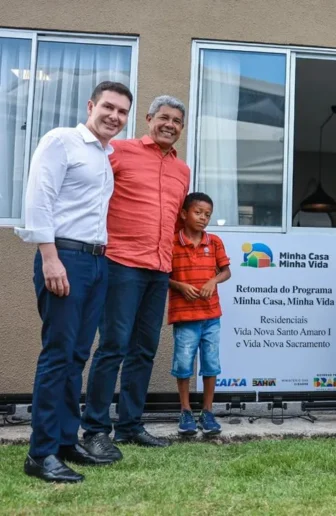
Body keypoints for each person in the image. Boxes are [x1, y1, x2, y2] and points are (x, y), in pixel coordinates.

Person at [14, 82, 133, 483]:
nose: (114, 117)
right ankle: (41, 453)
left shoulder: (105, 155)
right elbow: (38, 199)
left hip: (98, 262)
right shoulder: (62, 141)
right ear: (91, 105)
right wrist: (50, 257)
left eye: (122, 112)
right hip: (65, 257)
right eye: (108, 107)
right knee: (58, 354)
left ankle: (66, 441)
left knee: (78, 355)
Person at [81, 96, 191, 458]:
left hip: (159, 269)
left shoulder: (182, 170)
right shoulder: (119, 152)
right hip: (121, 264)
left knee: (144, 350)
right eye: (164, 117)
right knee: (113, 346)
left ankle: (130, 425)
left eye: (177, 120)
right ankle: (96, 428)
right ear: (148, 119)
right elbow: (90, 195)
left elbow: (175, 220)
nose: (170, 125)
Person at [168, 192, 231, 436]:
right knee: (183, 363)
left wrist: (213, 281)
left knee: (211, 363)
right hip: (184, 317)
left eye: (207, 214)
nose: (203, 218)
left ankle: (207, 411)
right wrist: (179, 286)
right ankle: (185, 411)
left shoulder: (214, 242)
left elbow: (226, 271)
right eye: (198, 212)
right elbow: (162, 275)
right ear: (184, 214)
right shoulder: (172, 242)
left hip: (211, 316)